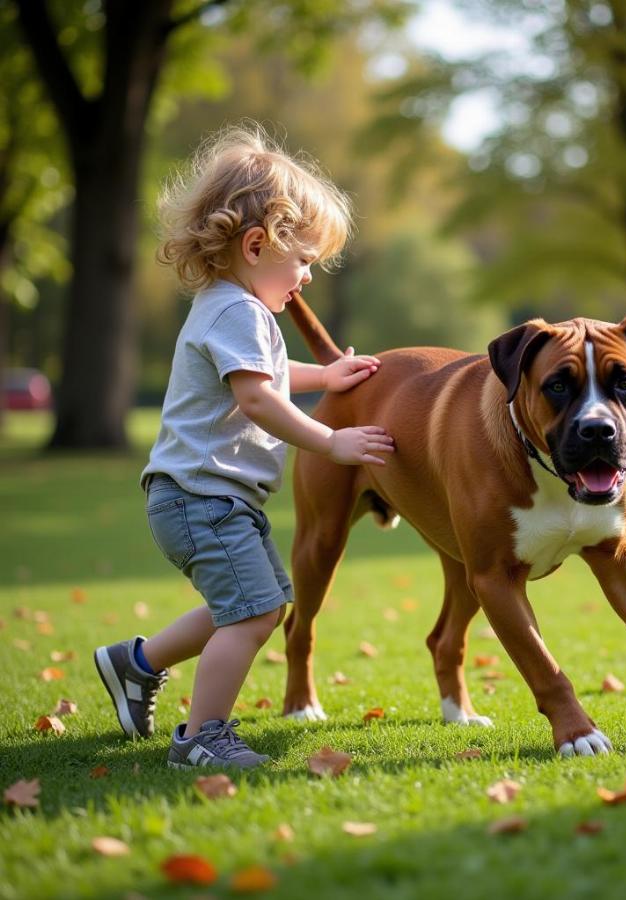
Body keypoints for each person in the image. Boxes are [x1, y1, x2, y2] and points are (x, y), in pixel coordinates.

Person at [94, 124, 393, 769]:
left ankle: (135, 663)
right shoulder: (237, 313)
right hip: (202, 498)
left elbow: (264, 377)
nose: (308, 277)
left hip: (205, 497)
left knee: (251, 605)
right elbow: (258, 400)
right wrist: (331, 441)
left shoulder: (229, 306)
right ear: (257, 245)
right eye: (305, 259)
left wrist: (326, 377)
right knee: (256, 616)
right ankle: (203, 737)